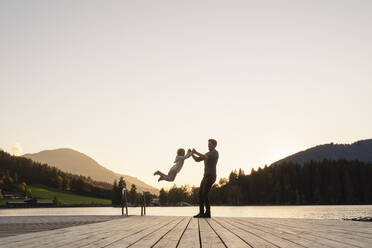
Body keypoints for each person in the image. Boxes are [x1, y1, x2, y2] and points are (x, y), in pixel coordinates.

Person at [192, 139, 219, 218]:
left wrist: (196, 152)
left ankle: (208, 213)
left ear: (214, 145)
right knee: (200, 194)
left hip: (211, 176)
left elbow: (205, 157)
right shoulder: (207, 153)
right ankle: (201, 213)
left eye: (210, 144)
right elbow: (197, 159)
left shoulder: (215, 153)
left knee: (204, 194)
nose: (208, 145)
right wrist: (191, 154)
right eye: (208, 144)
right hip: (205, 176)